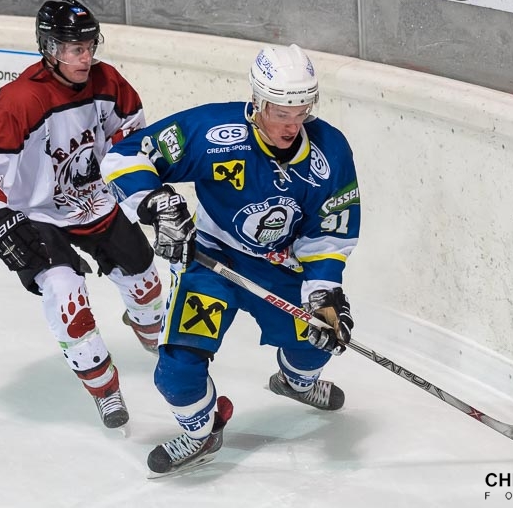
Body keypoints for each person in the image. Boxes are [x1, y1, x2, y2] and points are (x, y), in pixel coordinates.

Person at [101, 43, 360, 475]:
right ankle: (203, 433)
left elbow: (329, 233)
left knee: (315, 343)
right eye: (282, 113)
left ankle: (295, 383)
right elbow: (125, 155)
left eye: (302, 112)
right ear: (257, 102)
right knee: (177, 373)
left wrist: (324, 293)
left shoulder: (329, 151)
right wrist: (157, 205)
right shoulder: (214, 131)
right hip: (210, 261)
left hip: (281, 268)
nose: (292, 125)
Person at [0, 0, 166, 430]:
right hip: (38, 213)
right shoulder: (21, 100)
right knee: (68, 297)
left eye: (89, 46)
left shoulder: (108, 82)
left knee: (146, 283)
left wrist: (140, 192)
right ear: (50, 49)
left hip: (93, 199)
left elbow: (132, 140)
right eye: (75, 49)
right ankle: (105, 389)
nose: (86, 58)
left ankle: (148, 328)